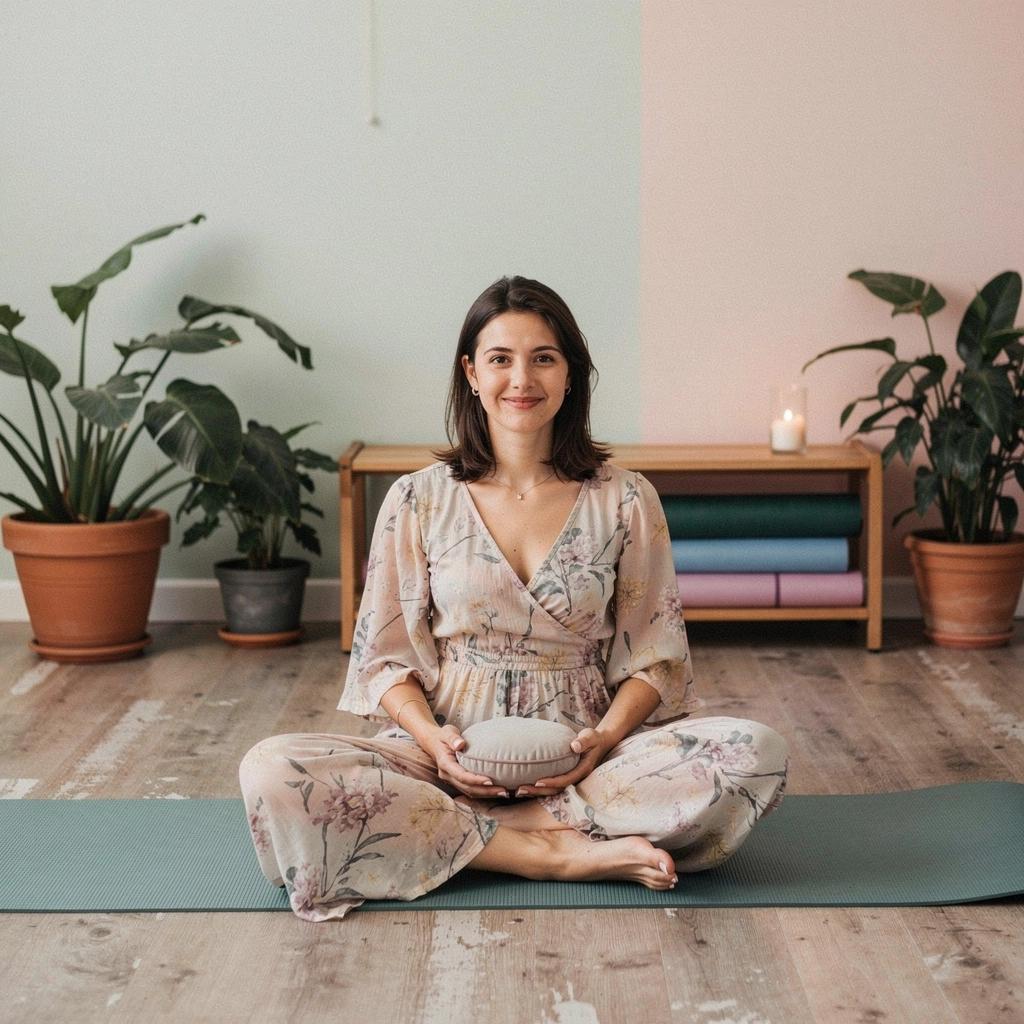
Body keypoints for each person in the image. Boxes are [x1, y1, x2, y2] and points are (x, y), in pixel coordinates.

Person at [238, 276, 789, 922]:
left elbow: (656, 658)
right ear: (471, 373)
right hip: (443, 751)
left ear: (570, 375)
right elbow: (383, 660)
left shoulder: (627, 498)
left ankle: (487, 829)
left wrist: (603, 740)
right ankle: (544, 853)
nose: (520, 379)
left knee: (756, 756)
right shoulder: (418, 499)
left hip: (587, 755)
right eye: (500, 359)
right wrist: (434, 743)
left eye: (543, 358)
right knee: (270, 771)